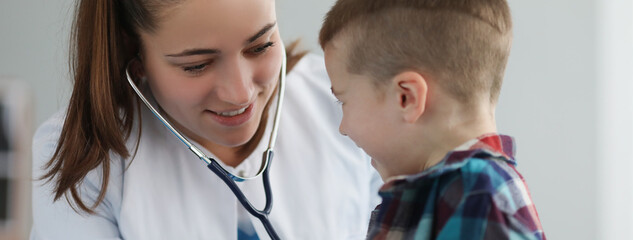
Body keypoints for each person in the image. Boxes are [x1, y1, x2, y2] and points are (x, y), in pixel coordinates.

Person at [32, 0, 381, 239]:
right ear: (135, 56)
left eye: (260, 46)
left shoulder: (346, 102)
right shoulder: (83, 157)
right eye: (196, 65)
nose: (240, 93)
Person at [319, 0, 546, 239]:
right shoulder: (445, 195)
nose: (343, 128)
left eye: (343, 101)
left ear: (406, 97)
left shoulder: (478, 196)